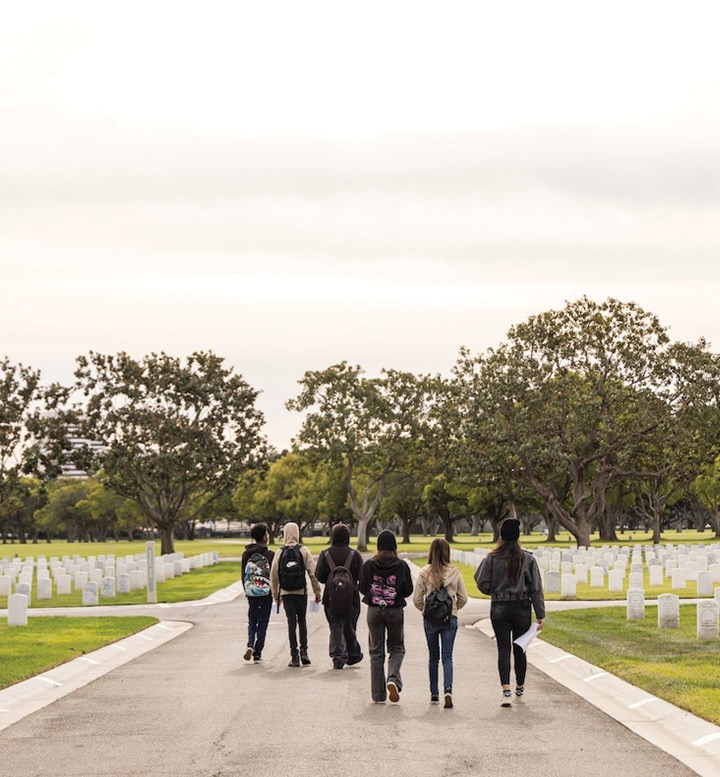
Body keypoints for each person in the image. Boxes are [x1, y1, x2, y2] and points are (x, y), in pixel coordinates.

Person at [475, 518, 546, 707]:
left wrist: (495, 590)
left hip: (499, 607)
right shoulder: (528, 558)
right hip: (522, 607)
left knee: (503, 649)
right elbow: (536, 588)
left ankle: (505, 690)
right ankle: (519, 688)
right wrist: (540, 614)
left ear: (501, 535)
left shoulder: (491, 558)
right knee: (519, 649)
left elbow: (482, 582)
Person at [358, 530, 414, 704]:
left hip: (374, 610)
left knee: (376, 652)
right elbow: (408, 590)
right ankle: (393, 678)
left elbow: (362, 587)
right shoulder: (401, 566)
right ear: (394, 547)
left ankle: (378, 695)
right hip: (395, 610)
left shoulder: (368, 565)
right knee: (397, 647)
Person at [413, 538, 468, 708]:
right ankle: (448, 690)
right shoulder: (455, 572)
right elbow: (463, 598)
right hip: (449, 618)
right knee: (447, 656)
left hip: (430, 619)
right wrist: (453, 609)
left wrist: (425, 610)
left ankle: (434, 694)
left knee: (433, 656)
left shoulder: (424, 572)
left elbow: (416, 599)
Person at [270, 521, 322, 667]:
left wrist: (276, 596)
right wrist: (317, 593)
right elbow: (313, 573)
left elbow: (273, 576)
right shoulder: (303, 551)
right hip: (301, 592)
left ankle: (294, 656)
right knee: (302, 621)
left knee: (291, 623)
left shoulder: (279, 552)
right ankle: (304, 652)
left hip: (286, 593)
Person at [315, 523, 364, 669]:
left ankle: (338, 656)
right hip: (352, 597)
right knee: (350, 625)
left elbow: (320, 576)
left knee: (335, 625)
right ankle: (353, 654)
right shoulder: (354, 555)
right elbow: (362, 575)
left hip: (331, 598)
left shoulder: (325, 554)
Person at [240, 523, 275, 664]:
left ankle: (250, 644)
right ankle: (258, 652)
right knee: (263, 621)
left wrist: (247, 590)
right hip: (266, 592)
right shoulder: (270, 554)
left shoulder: (246, 554)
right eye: (267, 533)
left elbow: (243, 574)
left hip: (251, 591)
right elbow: (273, 575)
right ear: (264, 537)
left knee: (252, 620)